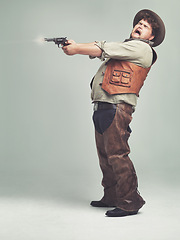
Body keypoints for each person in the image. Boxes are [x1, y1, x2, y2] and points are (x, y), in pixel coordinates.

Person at [62, 9, 165, 217]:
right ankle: (111, 195)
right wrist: (78, 47)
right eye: (139, 23)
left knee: (117, 154)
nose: (139, 26)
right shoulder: (128, 49)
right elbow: (100, 52)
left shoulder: (141, 48)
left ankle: (130, 200)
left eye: (145, 26)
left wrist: (76, 49)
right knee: (105, 156)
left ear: (151, 36)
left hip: (117, 105)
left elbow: (103, 48)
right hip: (103, 104)